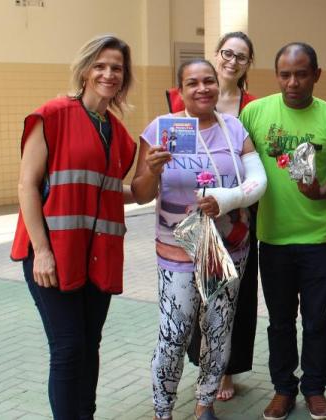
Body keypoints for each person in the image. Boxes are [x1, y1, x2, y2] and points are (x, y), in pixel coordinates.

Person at [10, 35, 138, 420]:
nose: (108, 73)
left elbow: (113, 190)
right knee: (67, 348)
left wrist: (157, 171)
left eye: (116, 68)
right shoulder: (53, 114)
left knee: (89, 344)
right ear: (84, 70)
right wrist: (43, 252)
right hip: (52, 254)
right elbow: (26, 185)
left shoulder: (116, 132)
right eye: (100, 65)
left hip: (96, 256)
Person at [132, 58, 267, 420]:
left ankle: (205, 402)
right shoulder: (160, 129)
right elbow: (140, 192)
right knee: (174, 333)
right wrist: (153, 169)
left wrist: (227, 199)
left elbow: (257, 181)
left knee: (218, 327)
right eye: (192, 83)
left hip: (228, 247)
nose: (202, 88)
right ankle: (163, 410)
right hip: (178, 250)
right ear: (180, 90)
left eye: (208, 81)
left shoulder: (234, 129)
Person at [239, 42, 326, 420]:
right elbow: (237, 162)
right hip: (271, 237)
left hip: (319, 238)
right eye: (285, 74)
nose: (293, 82)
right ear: (277, 75)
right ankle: (283, 389)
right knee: (279, 320)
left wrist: (320, 191)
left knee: (317, 319)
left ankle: (315, 389)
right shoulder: (255, 113)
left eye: (301, 73)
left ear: (316, 75)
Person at [167, 31, 260, 402]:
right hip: (196, 217)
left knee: (235, 296)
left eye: (241, 56)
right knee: (198, 293)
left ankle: (226, 369)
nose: (232, 61)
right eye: (227, 53)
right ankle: (204, 364)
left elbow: (254, 164)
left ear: (248, 64)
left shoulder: (251, 107)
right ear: (216, 55)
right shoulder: (183, 102)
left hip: (238, 218)